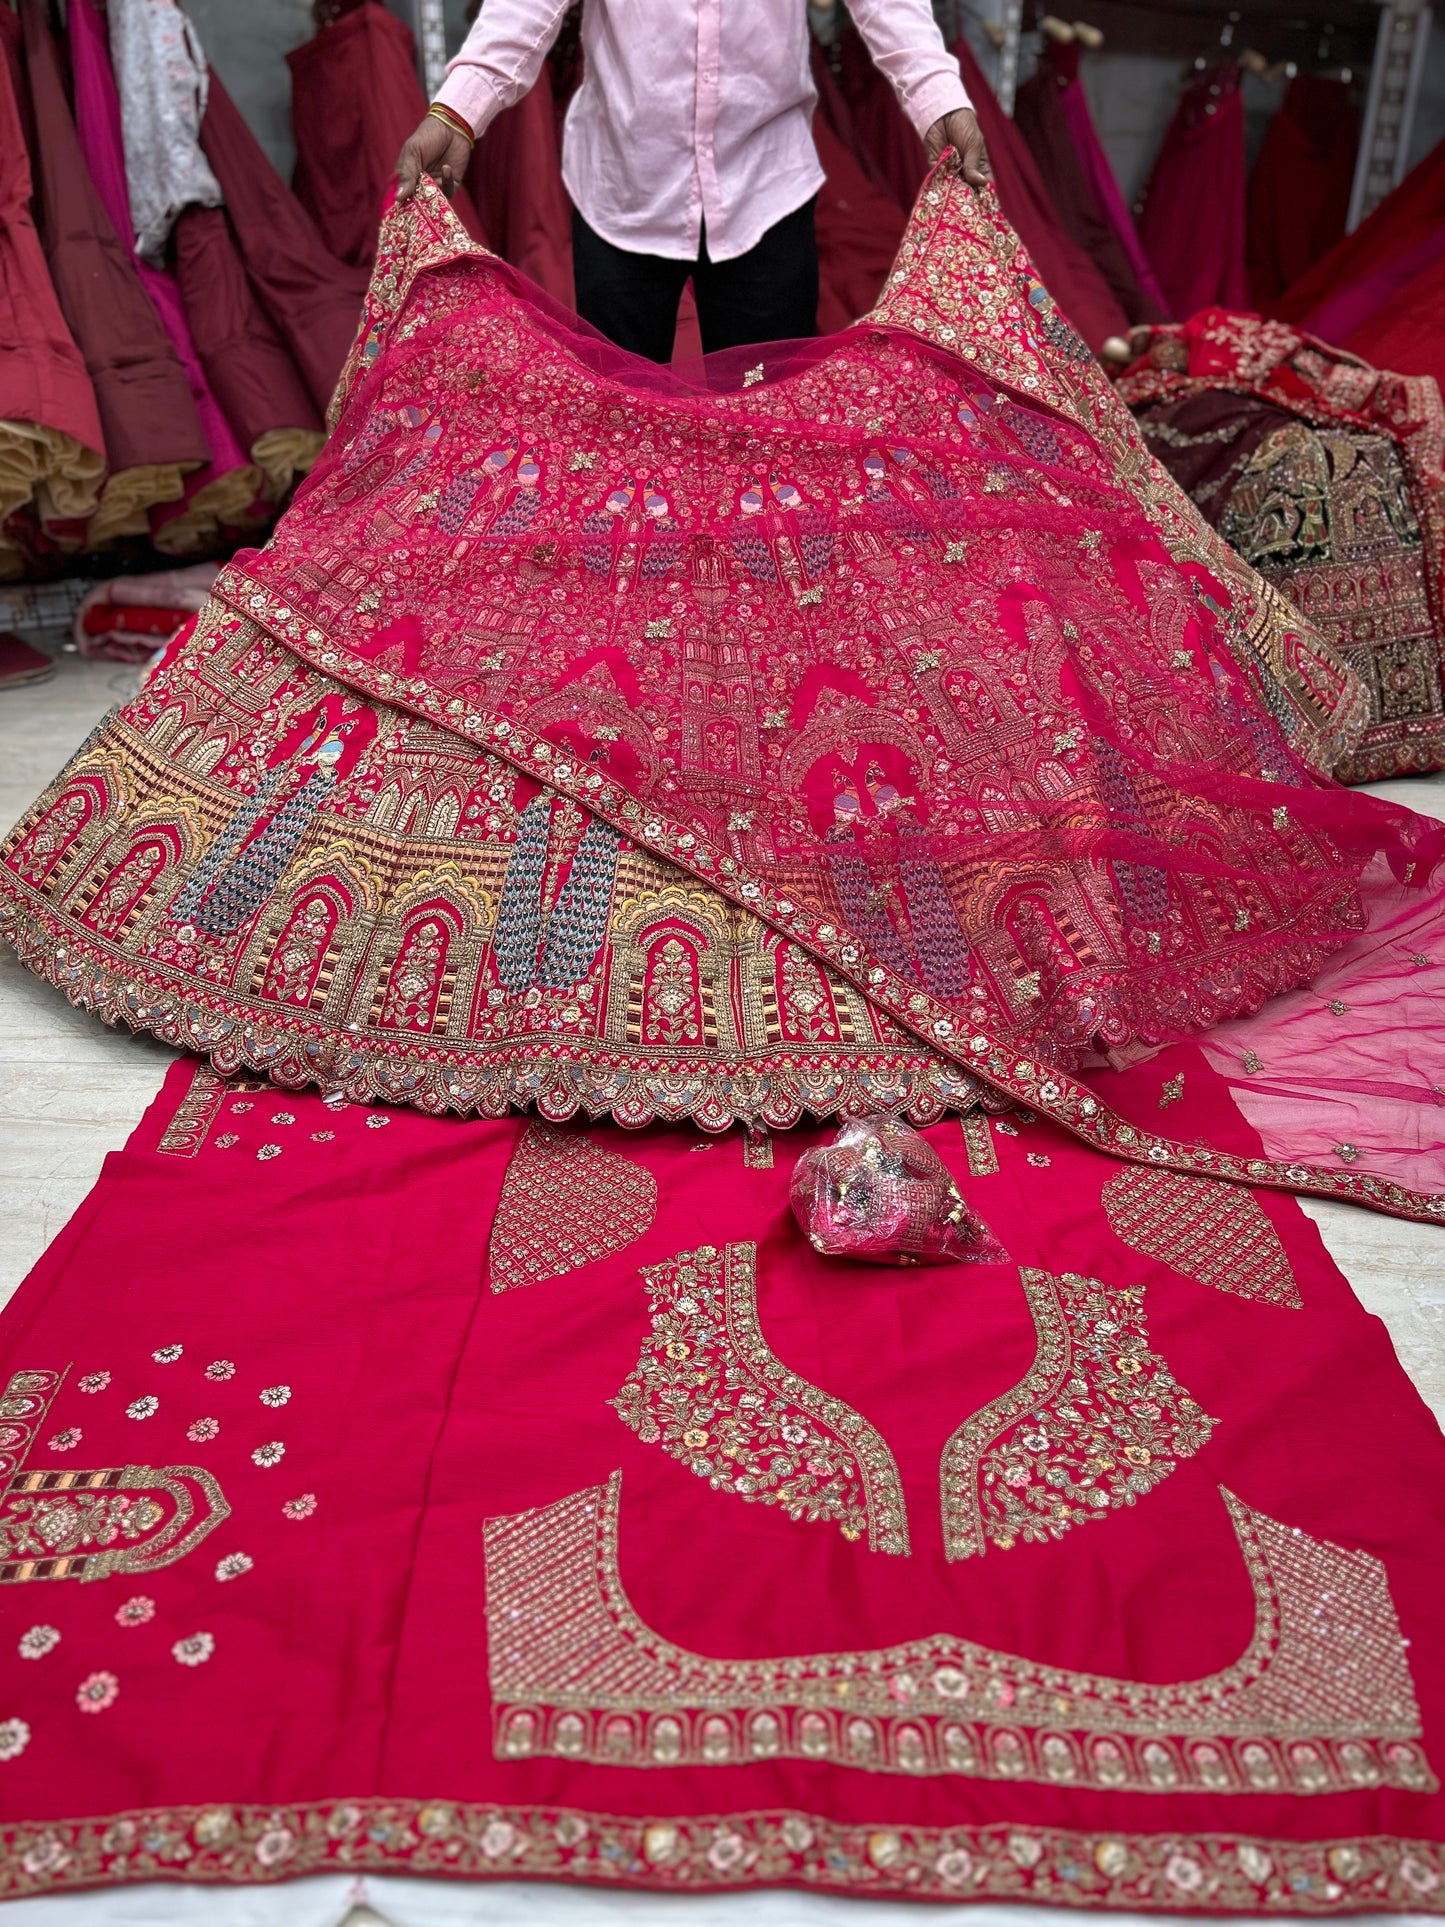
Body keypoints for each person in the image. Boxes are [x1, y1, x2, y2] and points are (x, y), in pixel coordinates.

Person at [395, 0, 989, 360]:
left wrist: (939, 100)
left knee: (764, 440)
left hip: (766, 187)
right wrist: (459, 110)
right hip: (623, 188)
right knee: (626, 439)